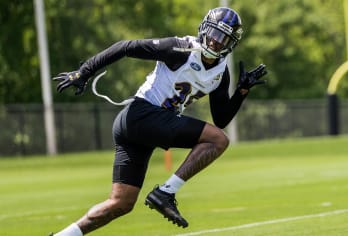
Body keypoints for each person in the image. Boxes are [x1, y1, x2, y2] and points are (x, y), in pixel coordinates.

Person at [50, 6, 267, 236]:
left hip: (142, 126)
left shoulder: (221, 73)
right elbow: (125, 47)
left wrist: (242, 91)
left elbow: (221, 118)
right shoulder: (180, 49)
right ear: (204, 29)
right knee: (219, 141)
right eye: (214, 34)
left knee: (121, 204)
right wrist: (84, 71)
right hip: (140, 115)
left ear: (232, 44)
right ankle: (166, 192)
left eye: (224, 39)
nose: (216, 42)